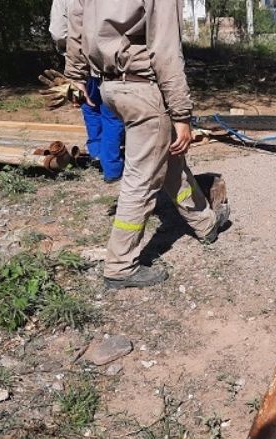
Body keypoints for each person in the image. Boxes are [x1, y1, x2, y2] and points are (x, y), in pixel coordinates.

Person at [64, 0, 230, 289]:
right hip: (141, 89)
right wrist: (181, 115)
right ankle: (120, 266)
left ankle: (205, 223)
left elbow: (76, 27)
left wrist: (75, 76)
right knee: (142, 179)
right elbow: (166, 51)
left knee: (169, 161)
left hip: (109, 87)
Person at [49, 0, 125, 183]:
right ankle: (112, 167)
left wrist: (68, 50)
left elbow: (58, 32)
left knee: (90, 107)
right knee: (112, 113)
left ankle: (97, 152)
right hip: (109, 61)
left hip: (78, 63)